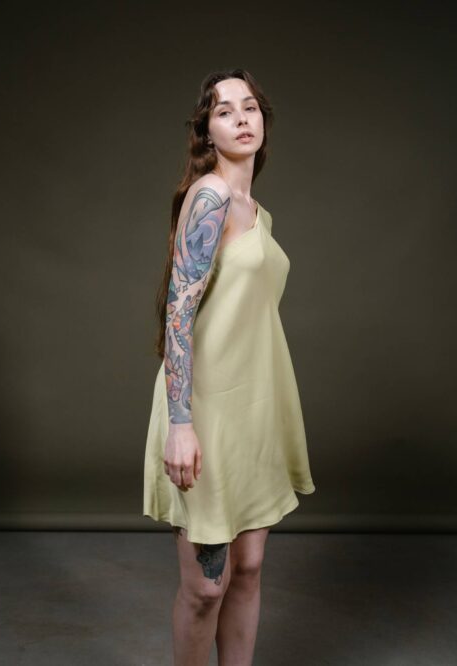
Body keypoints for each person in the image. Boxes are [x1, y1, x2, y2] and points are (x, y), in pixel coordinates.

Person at [143, 68, 316, 665]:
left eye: (250, 107)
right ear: (206, 131)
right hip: (206, 409)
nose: (241, 118)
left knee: (247, 568)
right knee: (205, 588)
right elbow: (177, 313)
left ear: (263, 121)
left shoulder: (254, 210)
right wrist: (180, 423)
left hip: (256, 404)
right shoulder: (211, 197)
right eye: (224, 110)